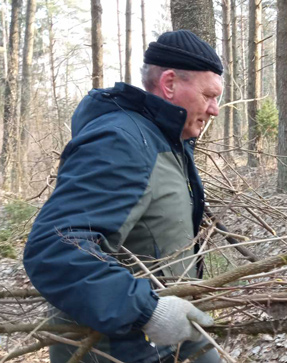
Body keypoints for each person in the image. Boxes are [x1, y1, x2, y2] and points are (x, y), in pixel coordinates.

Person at [23, 30, 224, 363]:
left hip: (158, 341)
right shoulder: (121, 143)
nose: (215, 109)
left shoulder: (163, 142)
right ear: (170, 83)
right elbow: (55, 249)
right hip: (114, 350)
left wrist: (183, 325)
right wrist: (148, 311)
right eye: (209, 95)